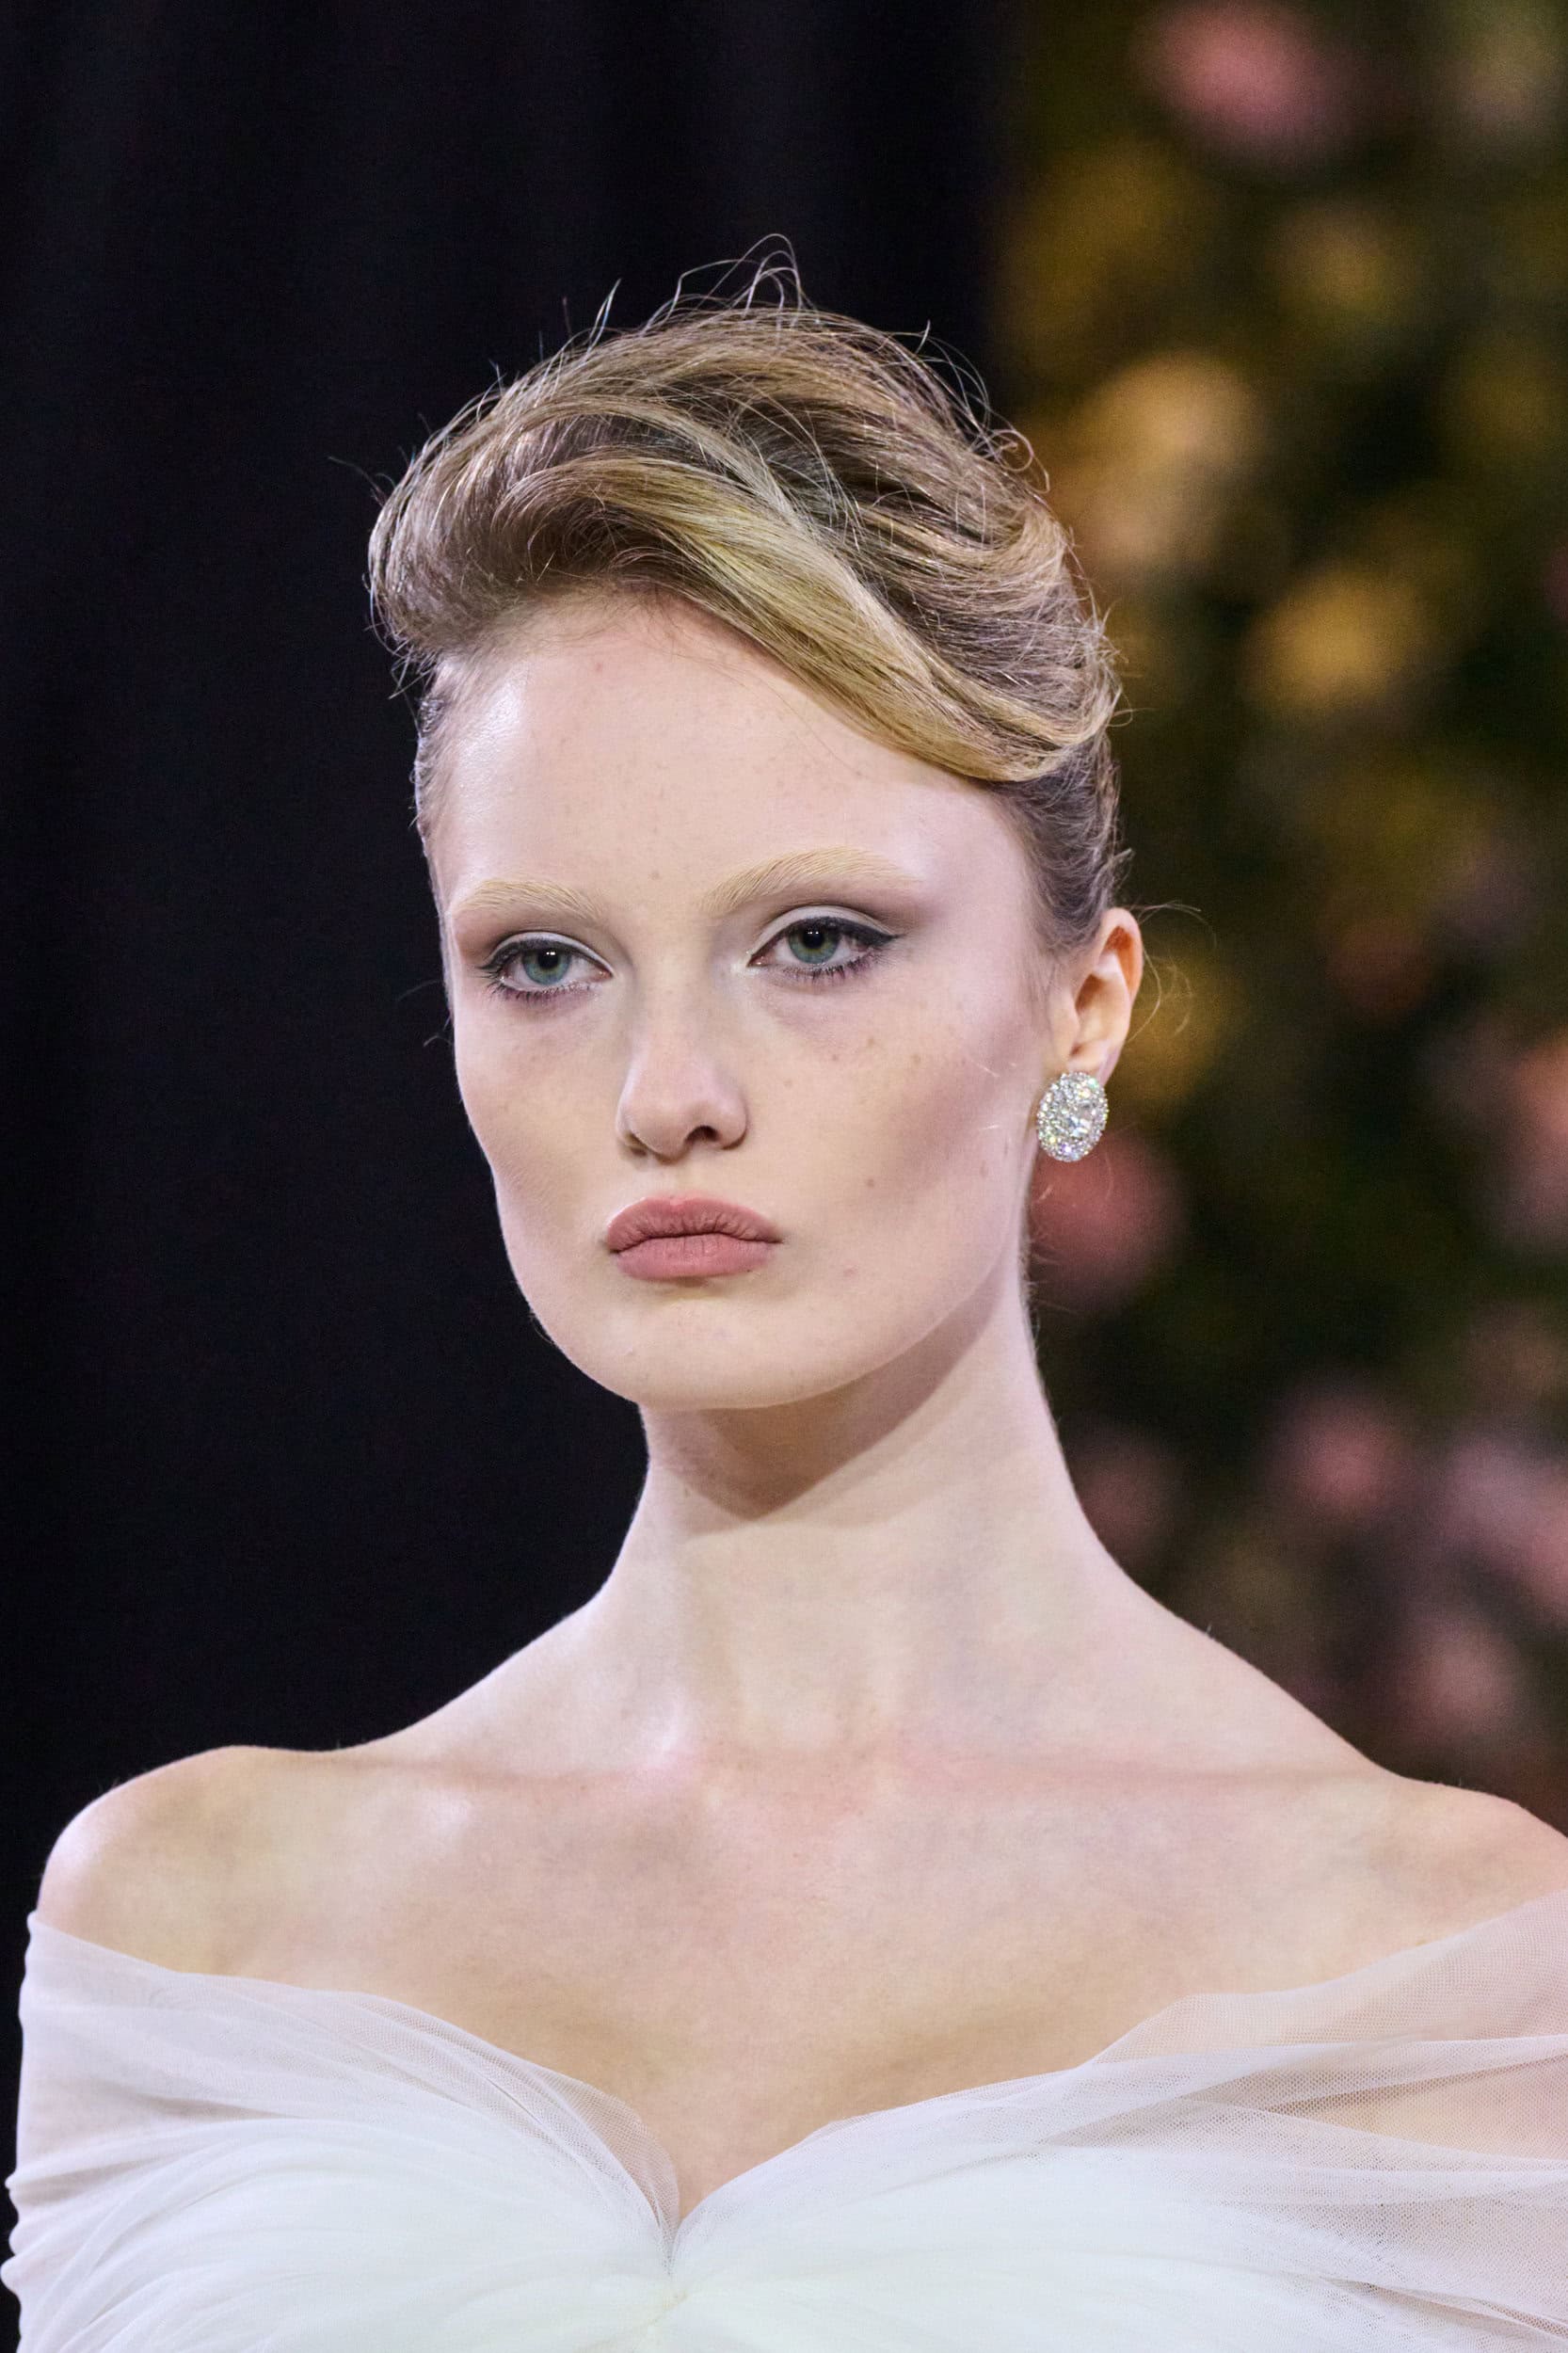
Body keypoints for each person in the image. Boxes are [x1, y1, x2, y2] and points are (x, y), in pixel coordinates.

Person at [7, 269, 1568, 2348]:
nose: (667, 1092)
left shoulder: (1448, 1977)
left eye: (815, 940)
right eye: (544, 962)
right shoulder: (192, 1928)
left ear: (1082, 1004)